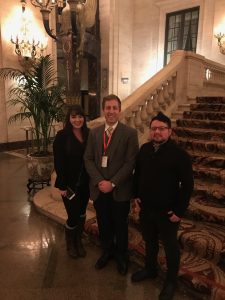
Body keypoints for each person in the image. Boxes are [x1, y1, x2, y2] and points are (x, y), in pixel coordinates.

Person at [131, 112, 194, 300]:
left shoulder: (179, 155)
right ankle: (150, 269)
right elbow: (137, 174)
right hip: (147, 209)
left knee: (170, 247)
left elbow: (188, 185)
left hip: (167, 212)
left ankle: (170, 281)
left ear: (169, 131)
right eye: (154, 128)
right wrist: (136, 196)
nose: (157, 132)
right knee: (149, 242)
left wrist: (179, 212)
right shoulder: (144, 149)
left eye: (161, 128)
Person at [84, 94, 139, 275]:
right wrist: (100, 181)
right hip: (100, 189)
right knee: (104, 223)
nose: (111, 111)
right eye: (108, 108)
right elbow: (88, 159)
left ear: (119, 110)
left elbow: (130, 163)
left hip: (120, 190)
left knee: (120, 226)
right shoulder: (94, 132)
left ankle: (122, 256)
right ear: (103, 110)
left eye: (114, 108)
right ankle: (106, 251)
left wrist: (113, 183)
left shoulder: (130, 133)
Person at [53, 105, 90, 259]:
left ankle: (78, 241)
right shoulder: (62, 136)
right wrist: (61, 185)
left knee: (82, 214)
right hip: (68, 185)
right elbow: (58, 162)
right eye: (74, 117)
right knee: (73, 215)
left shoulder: (89, 134)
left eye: (80, 116)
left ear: (84, 118)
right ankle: (70, 243)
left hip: (85, 183)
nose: (77, 120)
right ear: (69, 119)